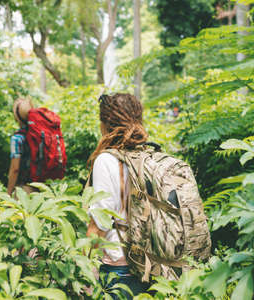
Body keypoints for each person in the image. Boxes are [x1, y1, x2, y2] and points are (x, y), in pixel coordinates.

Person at [86, 93, 150, 298]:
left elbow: (101, 223)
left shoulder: (106, 160)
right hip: (150, 264)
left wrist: (80, 262)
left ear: (105, 124)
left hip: (119, 270)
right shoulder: (148, 154)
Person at [7, 98, 34, 195]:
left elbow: (15, 169)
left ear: (17, 117)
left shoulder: (17, 138)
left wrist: (9, 194)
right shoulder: (40, 134)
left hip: (25, 190)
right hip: (43, 187)